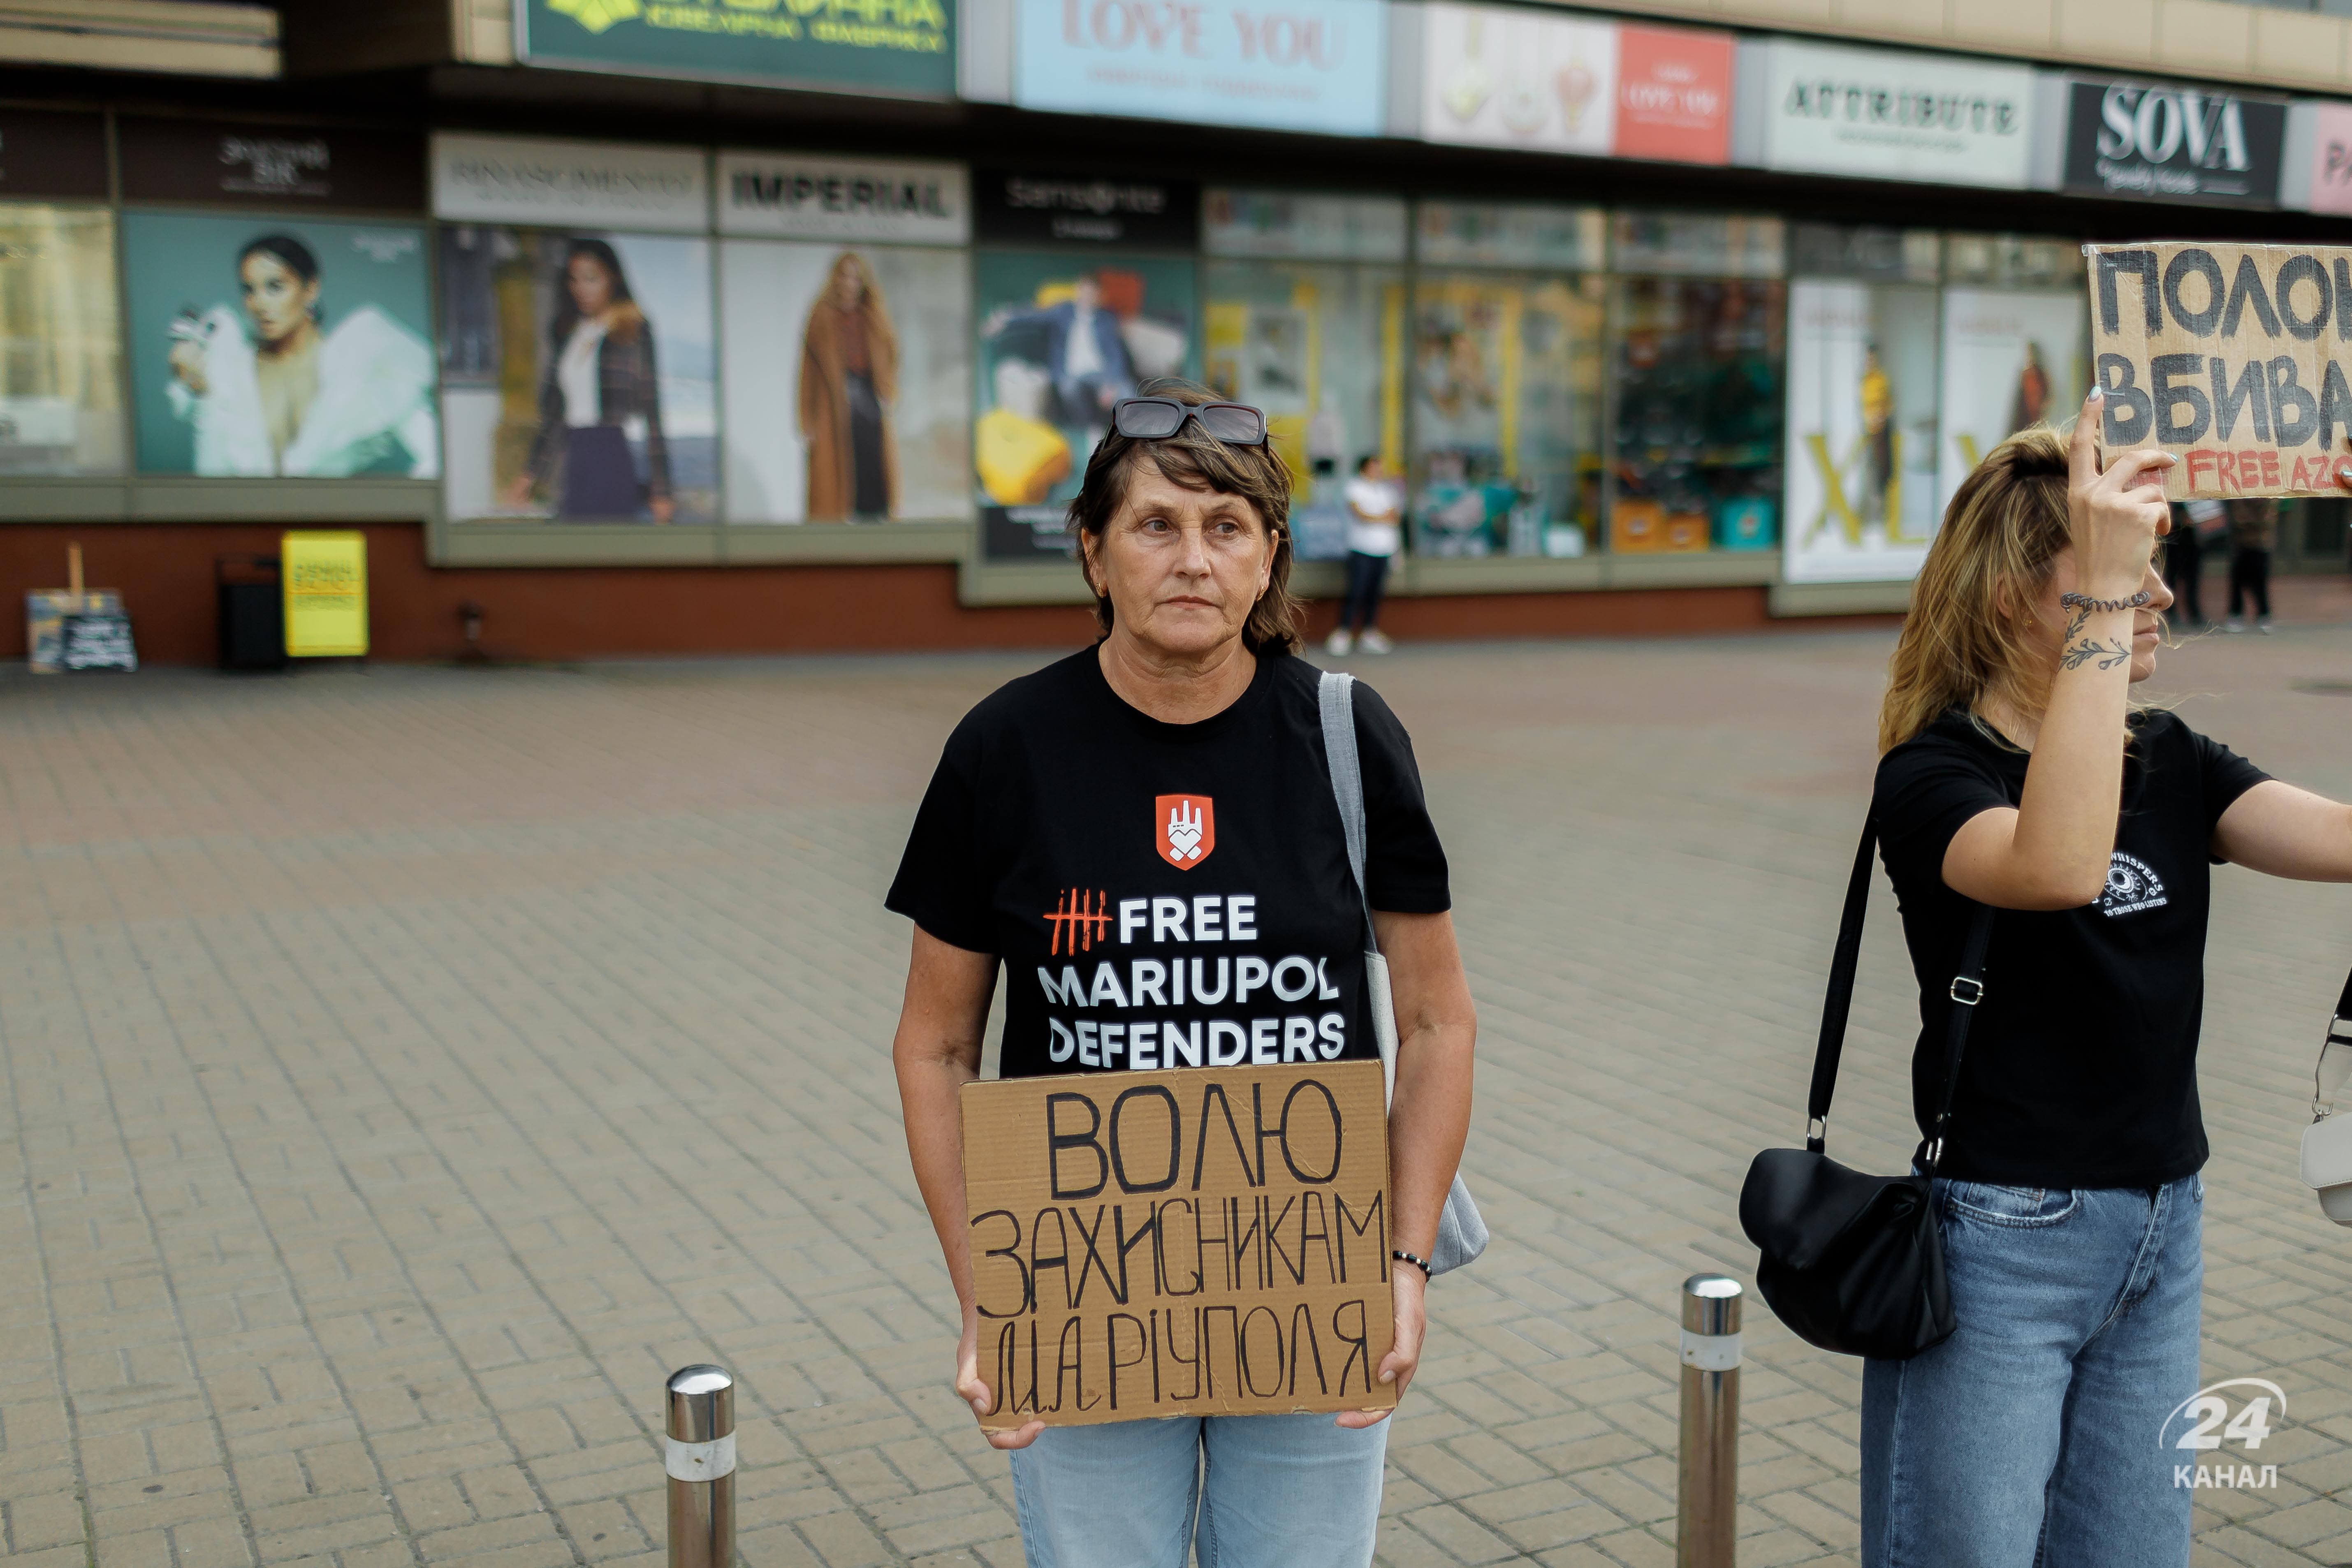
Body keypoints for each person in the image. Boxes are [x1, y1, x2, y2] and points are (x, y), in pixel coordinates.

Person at [884, 380, 1476, 1568]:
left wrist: (1402, 1265)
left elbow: (1434, 1020)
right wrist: (988, 1292)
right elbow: (934, 1045)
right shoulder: (1003, 748)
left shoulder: (1348, 736)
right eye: (1155, 525)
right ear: (1093, 553)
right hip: (1080, 1289)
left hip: (1307, 1284)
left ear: (1269, 561)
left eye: (1226, 529)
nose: (1192, 559)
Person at [1860, 393, 2352, 1568]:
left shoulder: (2170, 753)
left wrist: (2102, 585)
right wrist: (2101, 597)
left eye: (2154, 565)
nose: (2162, 597)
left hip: (2160, 1221)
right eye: (2130, 569)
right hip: (1999, 1239)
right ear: (2012, 596)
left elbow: (2339, 839)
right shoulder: (1931, 773)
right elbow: (2055, 861)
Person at [166, 234, 437, 478]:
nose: (260, 304)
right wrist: (200, 391)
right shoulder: (230, 368)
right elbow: (213, 475)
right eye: (250, 290)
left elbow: (436, 454)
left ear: (311, 289)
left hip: (330, 530)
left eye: (275, 287)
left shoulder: (361, 360)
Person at [505, 239, 673, 523]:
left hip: (610, 451)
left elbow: (652, 412)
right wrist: (529, 475)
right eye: (575, 279)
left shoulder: (632, 329)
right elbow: (554, 415)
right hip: (573, 455)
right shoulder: (569, 333)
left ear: (613, 278)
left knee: (610, 551)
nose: (581, 288)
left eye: (592, 278)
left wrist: (662, 489)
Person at [798, 251, 899, 521]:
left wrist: (887, 389)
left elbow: (890, 352)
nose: (850, 283)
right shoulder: (820, 316)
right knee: (835, 471)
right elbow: (807, 370)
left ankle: (873, 518)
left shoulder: (873, 313)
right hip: (832, 401)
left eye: (856, 277)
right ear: (835, 279)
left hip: (867, 395)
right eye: (844, 276)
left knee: (870, 462)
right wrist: (806, 420)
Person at [983, 273, 1135, 427]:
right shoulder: (1064, 311)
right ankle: (1087, 426)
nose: (1087, 296)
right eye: (1084, 291)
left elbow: (1116, 355)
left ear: (1098, 295)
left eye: (1092, 293)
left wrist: (1111, 383)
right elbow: (1034, 315)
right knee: (1068, 387)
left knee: (1126, 388)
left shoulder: (1106, 319)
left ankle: (1134, 434)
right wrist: (1004, 317)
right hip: (1071, 373)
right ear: (1078, 291)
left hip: (1100, 373)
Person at [1328, 454, 1403, 656]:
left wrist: (1376, 517)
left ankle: (1369, 633)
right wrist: (1381, 517)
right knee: (1356, 591)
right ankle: (1343, 633)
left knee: (1375, 593)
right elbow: (1360, 515)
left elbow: (1395, 516)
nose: (1379, 471)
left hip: (1384, 550)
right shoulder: (1354, 487)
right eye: (1375, 467)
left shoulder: (1387, 490)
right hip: (1361, 549)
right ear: (1364, 468)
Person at [2225, 496, 2276, 633]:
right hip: (2241, 546)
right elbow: (2238, 519)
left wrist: (2251, 521)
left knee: (2260, 583)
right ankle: (2236, 615)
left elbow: (2268, 521)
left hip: (2261, 547)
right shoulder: (2240, 498)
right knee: (2238, 582)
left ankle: (2264, 616)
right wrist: (2253, 521)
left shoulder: (2269, 500)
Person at [2164, 499, 2218, 628]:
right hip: (2175, 537)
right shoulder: (2173, 495)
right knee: (2172, 577)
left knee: (2192, 578)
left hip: (2193, 538)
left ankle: (2194, 613)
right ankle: (2171, 613)